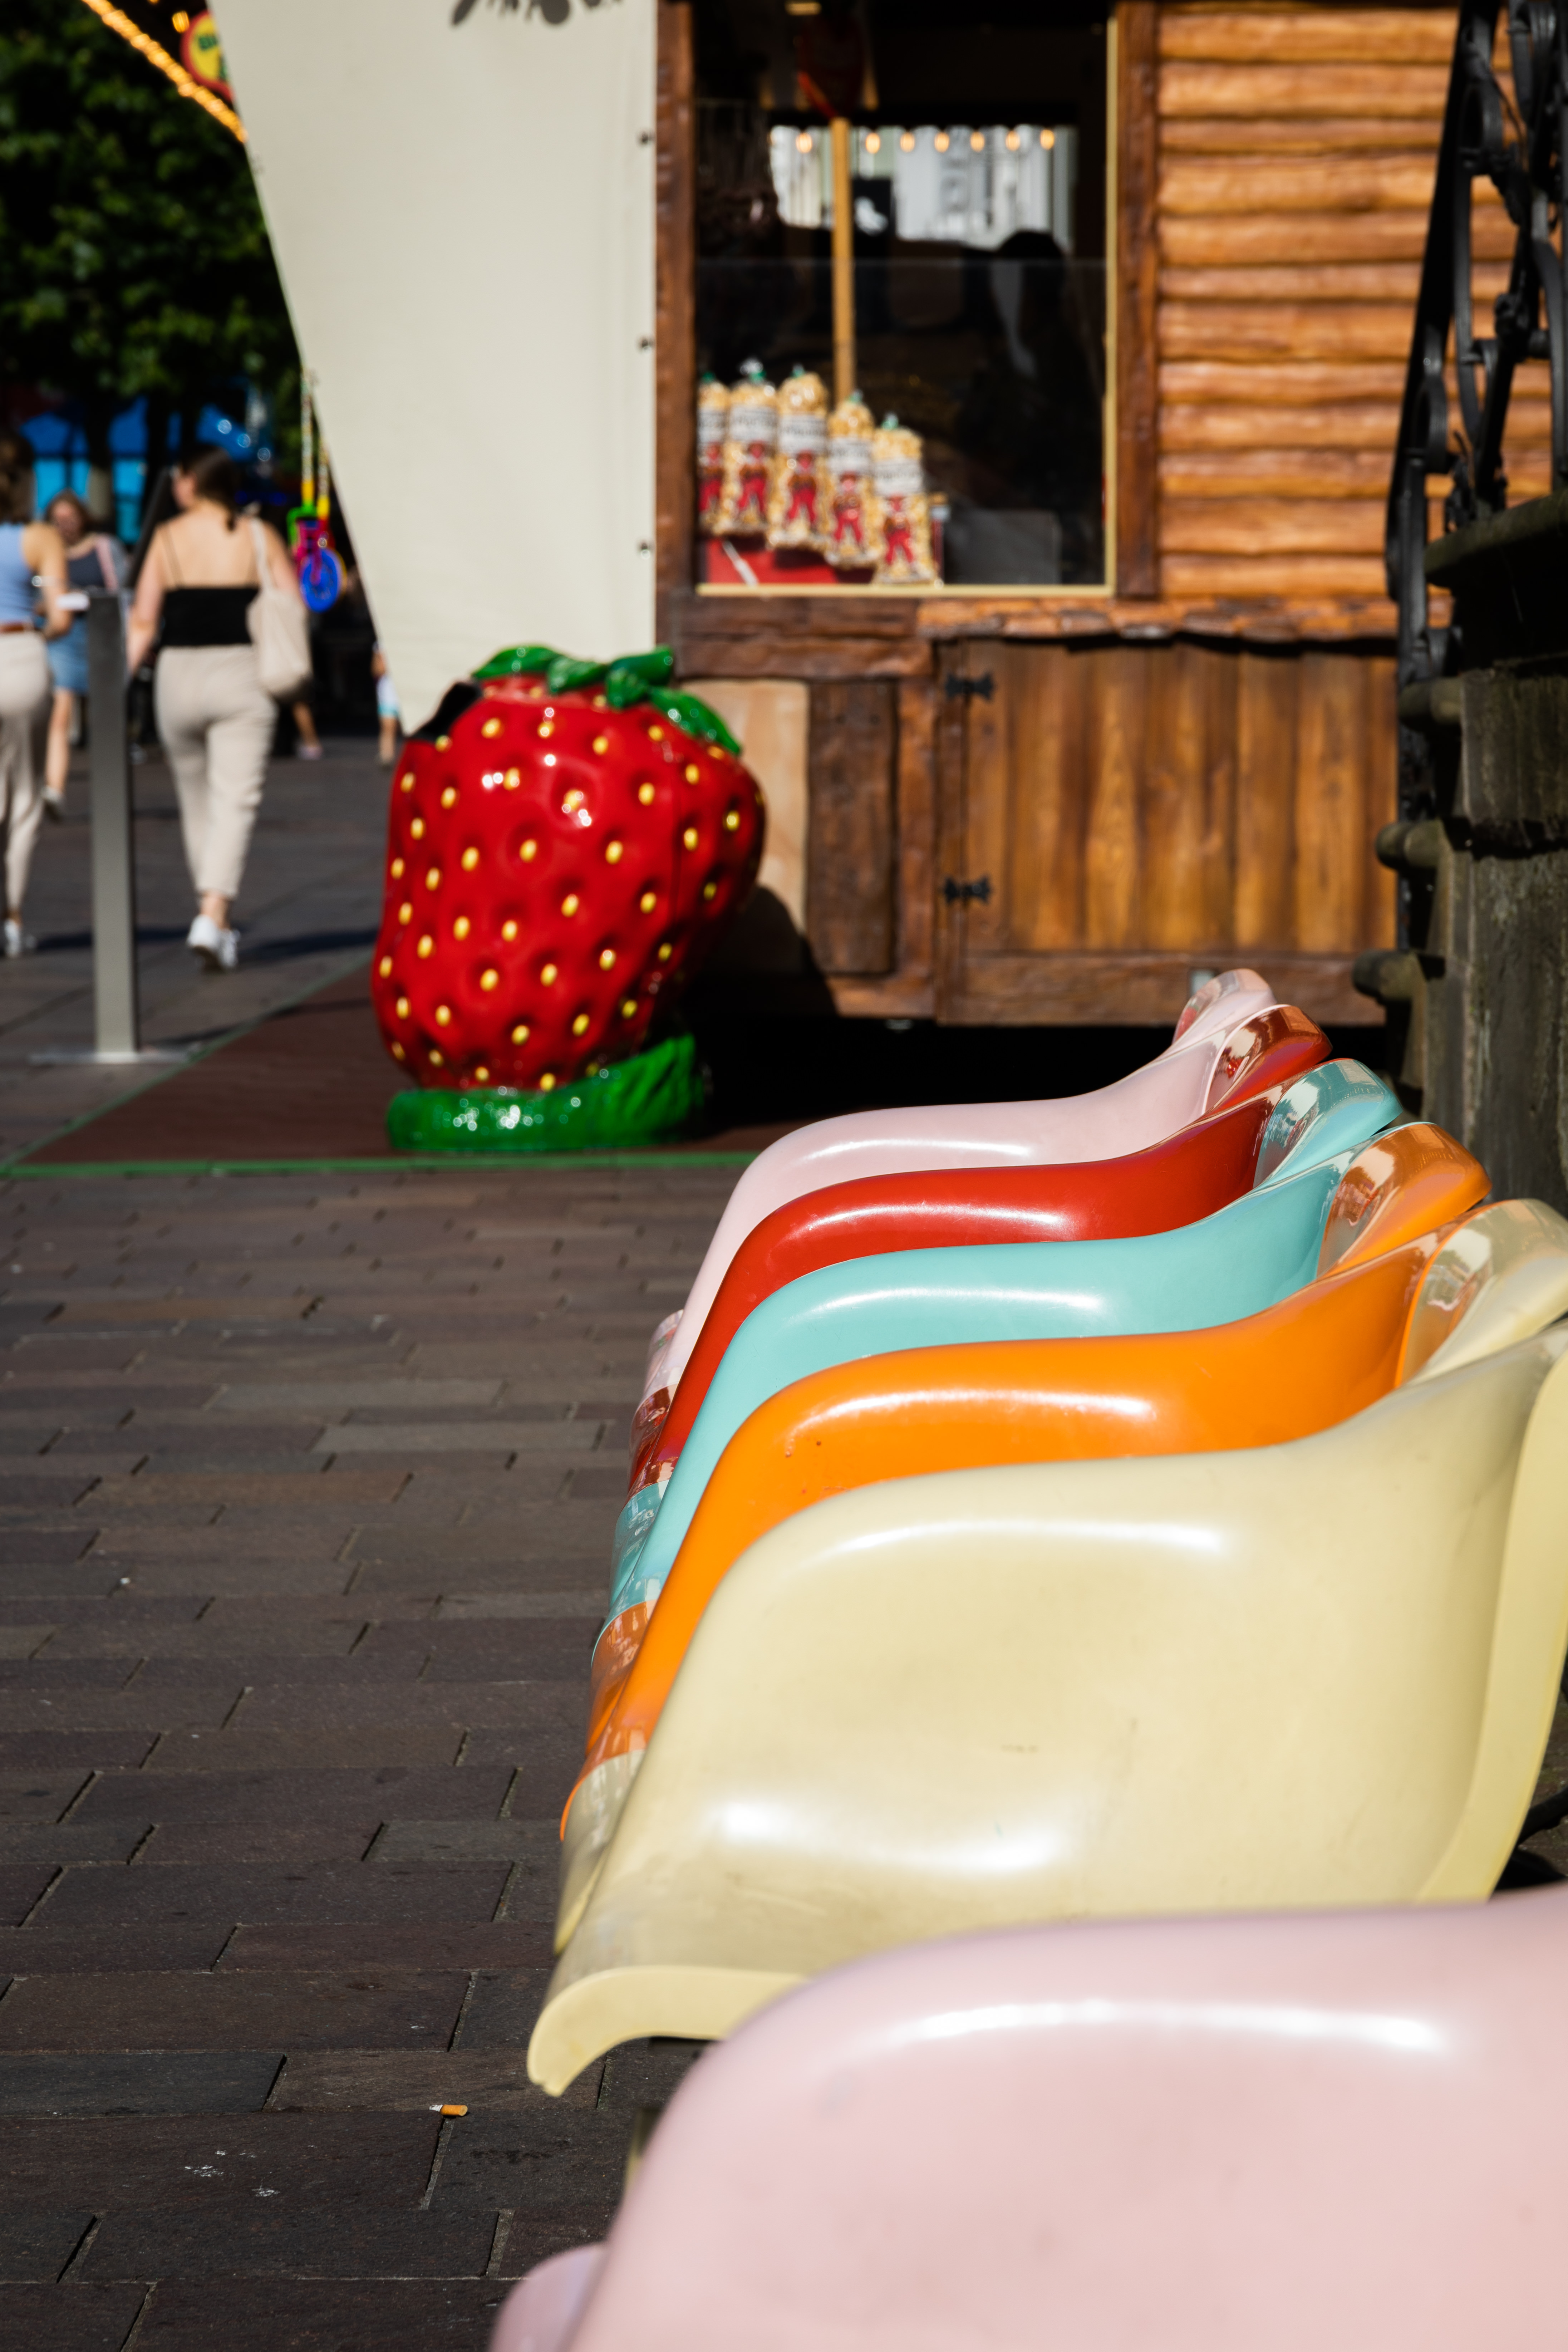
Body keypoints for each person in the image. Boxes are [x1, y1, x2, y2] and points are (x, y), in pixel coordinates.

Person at [126, 449, 304, 972]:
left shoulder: (167, 537)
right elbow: (294, 603)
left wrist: (114, 684)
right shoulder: (258, 535)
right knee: (235, 799)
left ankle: (215, 918)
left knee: (195, 801)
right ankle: (212, 913)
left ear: (191, 481)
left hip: (177, 676)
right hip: (242, 674)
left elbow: (143, 622)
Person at [0, 443, 68, 957]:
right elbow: (61, 616)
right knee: (24, 796)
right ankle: (13, 916)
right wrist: (39, 629)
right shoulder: (39, 537)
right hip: (21, 654)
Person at [42, 490, 125, 821]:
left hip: (101, 634)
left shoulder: (105, 547)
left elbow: (123, 591)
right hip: (63, 637)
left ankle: (110, 796)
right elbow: (36, 593)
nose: (65, 525)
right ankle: (55, 788)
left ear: (83, 516)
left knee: (104, 717)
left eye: (70, 518)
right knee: (60, 713)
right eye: (58, 520)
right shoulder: (47, 550)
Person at [372, 642, 400, 765]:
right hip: (390, 692)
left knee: (388, 728)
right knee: (389, 727)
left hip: (391, 692)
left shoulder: (381, 644)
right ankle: (387, 756)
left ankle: (387, 755)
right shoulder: (381, 644)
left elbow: (377, 669)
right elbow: (378, 669)